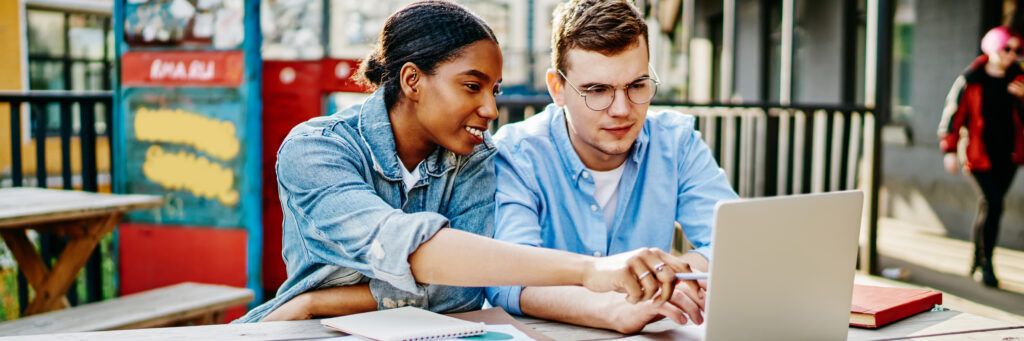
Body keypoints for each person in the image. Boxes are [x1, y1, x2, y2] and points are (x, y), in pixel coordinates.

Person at [235, 1, 687, 323]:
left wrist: (318, 300)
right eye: (473, 86)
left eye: (495, 89)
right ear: (412, 80)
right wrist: (589, 270)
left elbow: (458, 292)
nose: (491, 109)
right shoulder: (318, 149)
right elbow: (411, 251)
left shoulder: (474, 158)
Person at [485, 0, 738, 334]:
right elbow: (507, 280)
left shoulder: (676, 142)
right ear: (557, 88)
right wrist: (615, 310)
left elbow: (734, 246)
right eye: (597, 90)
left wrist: (670, 278)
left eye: (637, 86)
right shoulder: (517, 153)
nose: (622, 109)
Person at [938, 25, 1024, 288]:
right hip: (978, 156)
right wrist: (949, 150)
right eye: (1007, 48)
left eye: (1017, 50)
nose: (1012, 54)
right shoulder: (972, 78)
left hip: (1009, 156)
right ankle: (987, 266)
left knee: (989, 206)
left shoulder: (1020, 79)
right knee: (994, 203)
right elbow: (954, 115)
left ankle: (977, 260)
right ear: (992, 47)